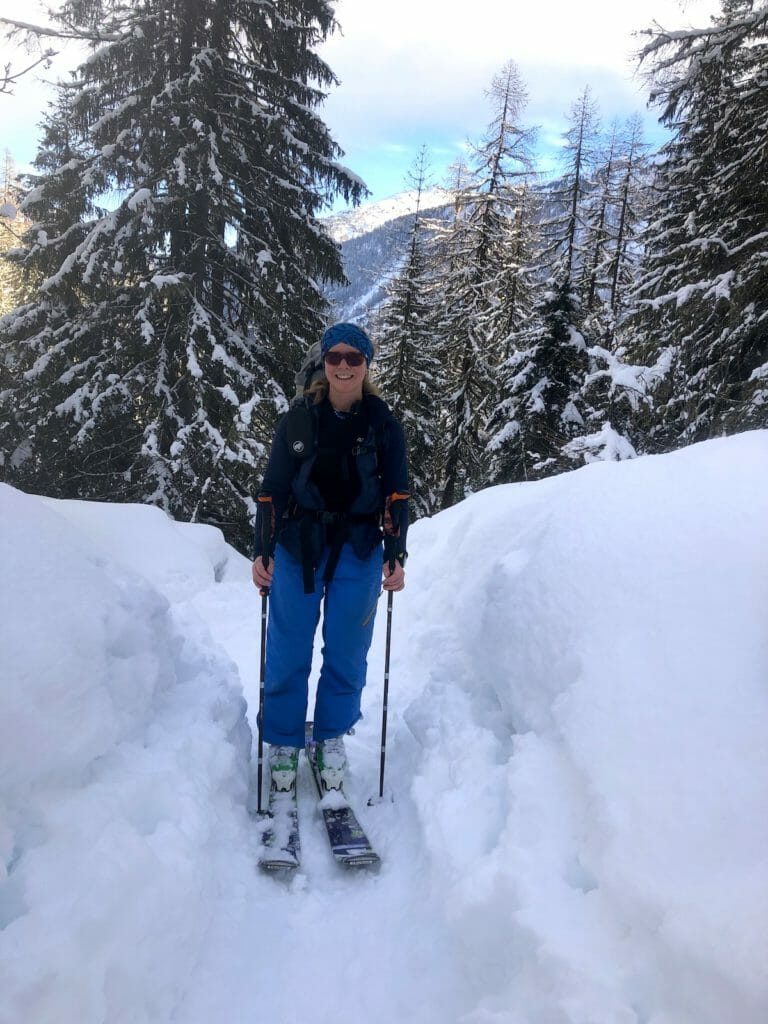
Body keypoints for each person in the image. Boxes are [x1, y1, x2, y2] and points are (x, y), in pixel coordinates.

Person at [252, 322, 409, 795]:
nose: (343, 366)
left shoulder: (383, 424)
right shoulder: (298, 419)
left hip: (359, 549)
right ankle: (283, 741)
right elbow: (272, 490)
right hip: (298, 545)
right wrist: (262, 549)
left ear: (366, 365)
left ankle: (329, 739)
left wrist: (396, 553)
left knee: (346, 651)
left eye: (353, 358)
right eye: (334, 357)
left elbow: (398, 492)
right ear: (323, 362)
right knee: (287, 648)